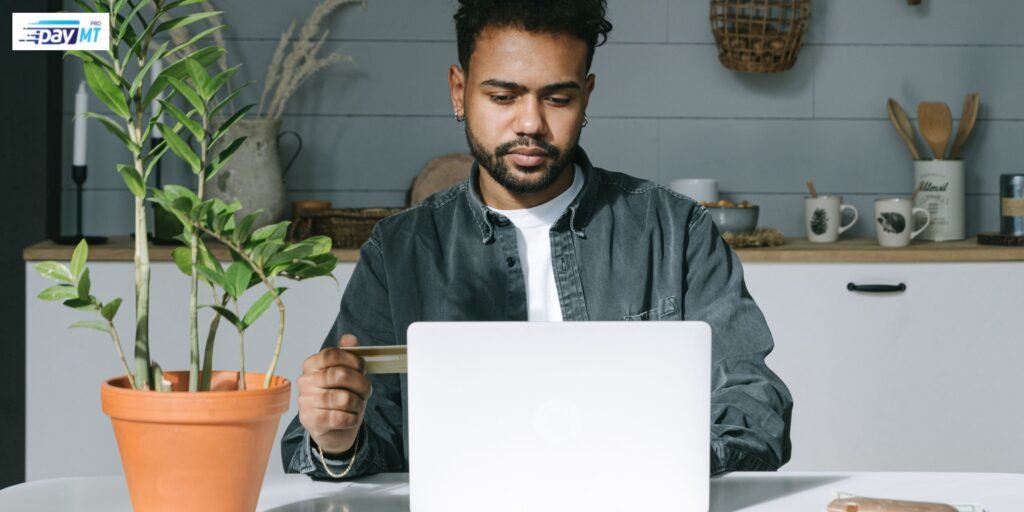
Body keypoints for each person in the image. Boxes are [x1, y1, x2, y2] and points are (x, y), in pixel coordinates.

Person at [281, 0, 793, 479]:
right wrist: (337, 437)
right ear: (459, 91)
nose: (530, 123)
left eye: (557, 98)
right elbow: (356, 437)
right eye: (503, 96)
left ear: (586, 95)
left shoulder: (675, 230)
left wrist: (659, 462)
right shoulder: (400, 249)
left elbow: (754, 403)